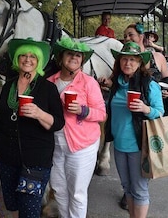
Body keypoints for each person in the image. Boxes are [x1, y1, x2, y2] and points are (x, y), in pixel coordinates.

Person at [0, 38, 65, 218]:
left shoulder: (48, 88)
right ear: (17, 59)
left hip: (35, 160)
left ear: (38, 61)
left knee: (29, 208)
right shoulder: (9, 86)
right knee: (12, 202)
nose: (27, 59)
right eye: (23, 55)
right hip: (6, 156)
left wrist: (39, 113)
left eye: (32, 56)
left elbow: (59, 122)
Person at [47, 37, 107, 218]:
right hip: (55, 145)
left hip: (82, 146)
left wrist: (83, 110)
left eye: (78, 55)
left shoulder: (89, 82)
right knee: (58, 189)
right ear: (61, 57)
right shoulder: (50, 82)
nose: (73, 57)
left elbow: (102, 114)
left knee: (77, 194)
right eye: (69, 53)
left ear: (82, 60)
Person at [105, 41, 164, 218]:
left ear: (139, 63)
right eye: (124, 59)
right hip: (119, 145)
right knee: (127, 188)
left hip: (140, 146)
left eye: (133, 60)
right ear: (119, 62)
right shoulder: (116, 83)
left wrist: (146, 109)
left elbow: (160, 112)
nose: (128, 63)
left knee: (139, 190)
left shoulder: (149, 84)